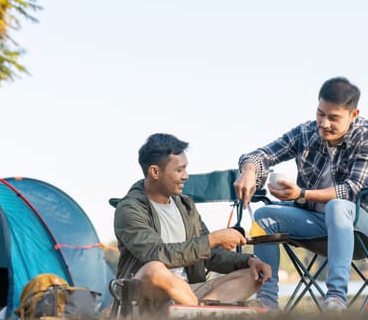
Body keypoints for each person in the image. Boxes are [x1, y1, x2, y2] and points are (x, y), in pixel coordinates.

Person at [234, 77, 368, 312]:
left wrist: (301, 194)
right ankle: (267, 303)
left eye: (333, 118)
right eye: (320, 113)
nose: (324, 123)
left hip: (361, 228)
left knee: (337, 206)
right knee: (263, 216)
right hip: (316, 223)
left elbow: (353, 190)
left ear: (353, 115)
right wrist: (250, 169)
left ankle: (335, 299)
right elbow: (263, 154)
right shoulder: (306, 132)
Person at [113, 133, 271, 313]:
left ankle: (195, 313)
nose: (186, 176)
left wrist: (249, 260)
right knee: (154, 269)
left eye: (185, 169)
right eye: (179, 170)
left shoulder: (185, 206)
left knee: (251, 276)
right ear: (155, 172)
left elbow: (209, 254)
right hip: (144, 297)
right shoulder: (130, 208)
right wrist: (212, 239)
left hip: (188, 293)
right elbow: (156, 254)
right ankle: (200, 313)